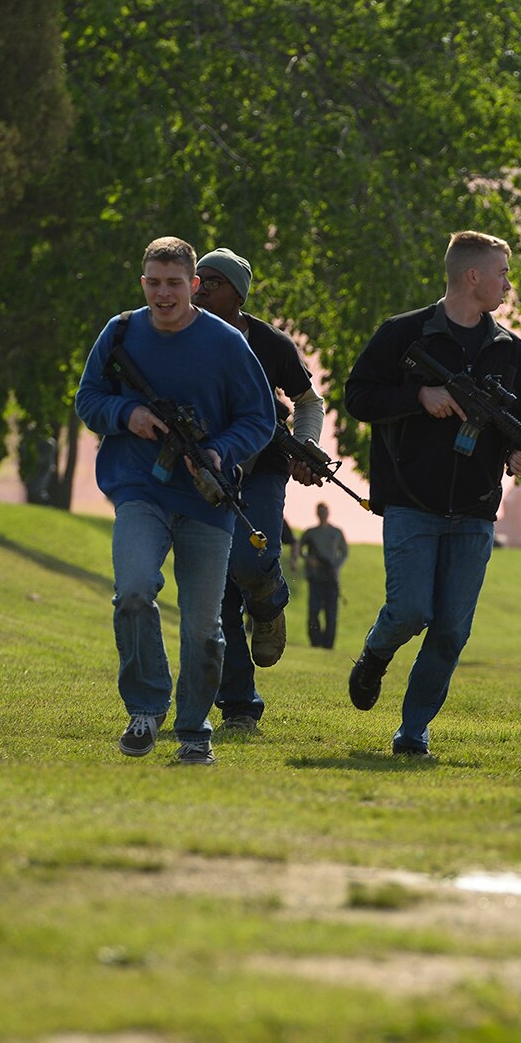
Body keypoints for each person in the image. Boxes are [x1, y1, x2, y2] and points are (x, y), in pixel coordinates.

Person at [343, 231, 521, 757]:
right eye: (502, 272)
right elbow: (359, 396)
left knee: (452, 631)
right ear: (472, 276)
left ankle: (413, 732)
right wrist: (420, 395)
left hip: (477, 510)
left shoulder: (512, 352)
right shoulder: (403, 334)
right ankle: (375, 653)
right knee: (410, 611)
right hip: (412, 502)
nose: (509, 283)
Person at [74, 237, 275, 766]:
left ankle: (193, 729)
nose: (164, 294)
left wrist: (218, 450)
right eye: (154, 283)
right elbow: (88, 399)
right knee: (134, 591)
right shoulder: (120, 332)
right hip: (139, 489)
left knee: (204, 627)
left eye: (175, 284)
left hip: (208, 500)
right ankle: (145, 707)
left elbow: (261, 419)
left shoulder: (227, 343)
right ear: (144, 283)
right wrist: (128, 416)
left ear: (194, 286)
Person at [191, 248, 325, 731]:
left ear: (237, 294)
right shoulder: (179, 335)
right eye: (198, 279)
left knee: (249, 562)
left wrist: (306, 446)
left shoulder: (271, 343)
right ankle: (240, 707)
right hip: (201, 474)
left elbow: (309, 400)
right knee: (218, 591)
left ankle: (269, 600)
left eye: (213, 282)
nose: (201, 288)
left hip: (263, 470)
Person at [297, 501, 349, 648]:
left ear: (328, 512)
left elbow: (344, 553)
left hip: (331, 578)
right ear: (317, 513)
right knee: (314, 612)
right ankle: (315, 642)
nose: (322, 514)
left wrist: (336, 567)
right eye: (320, 511)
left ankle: (328, 645)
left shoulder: (337, 532)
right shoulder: (310, 533)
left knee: (331, 614)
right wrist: (309, 560)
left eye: (324, 510)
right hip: (315, 577)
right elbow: (300, 549)